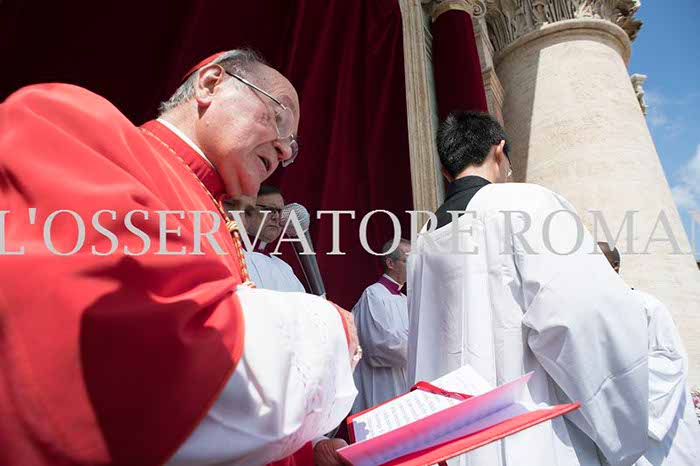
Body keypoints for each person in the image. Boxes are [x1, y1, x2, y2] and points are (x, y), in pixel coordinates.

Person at [0, 49, 359, 466]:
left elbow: (219, 418)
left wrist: (305, 453)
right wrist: (327, 330)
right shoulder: (71, 125)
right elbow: (122, 344)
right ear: (210, 84)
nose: (283, 151)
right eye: (278, 118)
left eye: (291, 147)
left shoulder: (217, 211)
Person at [407, 112, 649, 466]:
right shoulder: (526, 204)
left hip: (449, 440)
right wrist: (622, 427)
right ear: (499, 149)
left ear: (446, 171)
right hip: (529, 432)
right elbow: (583, 317)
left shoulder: (424, 239)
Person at [599, 243, 700, 466]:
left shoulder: (648, 306)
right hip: (614, 426)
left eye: (597, 261)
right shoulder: (590, 312)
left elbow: (670, 361)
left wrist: (611, 375)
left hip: (656, 426)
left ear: (615, 266)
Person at [351, 239, 411, 414]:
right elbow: (384, 345)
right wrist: (423, 340)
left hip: (405, 383)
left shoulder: (405, 300)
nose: (414, 267)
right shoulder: (373, 295)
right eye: (408, 260)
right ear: (390, 263)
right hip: (382, 385)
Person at [242, 184, 306, 292]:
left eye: (281, 212)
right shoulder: (230, 257)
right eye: (268, 209)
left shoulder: (285, 269)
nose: (276, 217)